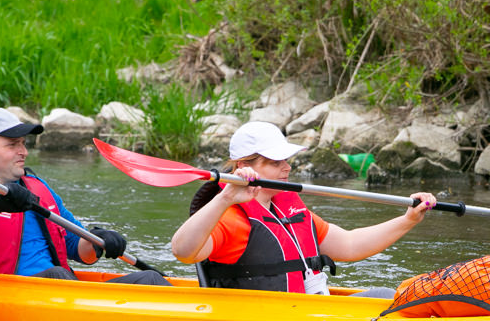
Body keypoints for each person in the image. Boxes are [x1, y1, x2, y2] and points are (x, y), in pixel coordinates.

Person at [171, 121, 436, 297]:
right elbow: (183, 251)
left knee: (385, 296)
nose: (287, 168)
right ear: (242, 166)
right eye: (276, 162)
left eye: (286, 160)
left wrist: (408, 220)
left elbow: (350, 244)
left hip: (308, 312)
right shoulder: (231, 217)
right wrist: (224, 198)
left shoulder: (288, 210)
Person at [0, 108, 170, 285]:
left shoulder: (37, 187)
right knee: (58, 275)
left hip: (60, 292)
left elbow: (77, 249)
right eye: (12, 145)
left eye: (24, 144)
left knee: (149, 278)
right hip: (4, 293)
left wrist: (98, 241)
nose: (24, 152)